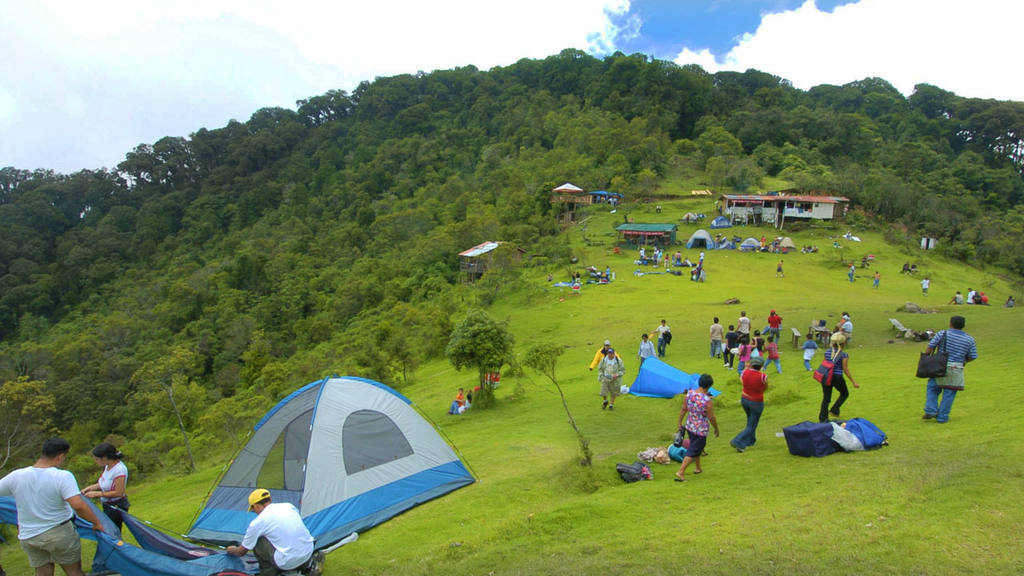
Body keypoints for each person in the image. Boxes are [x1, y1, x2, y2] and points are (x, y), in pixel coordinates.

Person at [0, 438, 104, 576]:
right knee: (73, 571)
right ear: (60, 457)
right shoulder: (62, 476)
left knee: (42, 573)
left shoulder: (16, 476)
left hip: (29, 536)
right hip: (58, 533)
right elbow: (78, 506)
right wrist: (96, 522)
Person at [227, 489, 320, 576]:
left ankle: (269, 572)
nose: (254, 512)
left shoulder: (258, 522)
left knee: (257, 541)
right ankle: (307, 565)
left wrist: (232, 550)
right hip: (308, 551)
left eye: (253, 509)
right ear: (270, 499)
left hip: (287, 562)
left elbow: (241, 552)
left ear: (256, 506)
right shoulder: (288, 506)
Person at [922, 316, 977, 423]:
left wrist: (926, 357)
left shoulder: (942, 334)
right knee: (950, 393)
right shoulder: (969, 339)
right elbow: (973, 356)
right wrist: (964, 361)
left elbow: (930, 346)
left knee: (933, 387)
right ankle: (942, 417)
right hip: (957, 367)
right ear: (963, 326)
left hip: (939, 365)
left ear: (950, 323)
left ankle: (931, 410)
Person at [674, 374, 719, 482]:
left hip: (690, 425)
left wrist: (680, 422)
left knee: (696, 446)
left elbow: (683, 409)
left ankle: (698, 468)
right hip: (700, 429)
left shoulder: (689, 394)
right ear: (709, 386)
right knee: (694, 449)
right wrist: (716, 428)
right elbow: (711, 417)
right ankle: (680, 472)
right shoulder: (707, 400)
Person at [81, 442, 129, 530]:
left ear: (104, 458)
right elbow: (104, 483)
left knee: (111, 531)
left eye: (97, 459)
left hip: (116, 505)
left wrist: (98, 494)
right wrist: (90, 488)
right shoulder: (108, 467)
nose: (96, 462)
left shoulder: (119, 470)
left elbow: (119, 492)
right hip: (107, 504)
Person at [819, 333, 859, 422]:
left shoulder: (827, 352)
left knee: (826, 398)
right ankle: (834, 409)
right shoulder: (844, 355)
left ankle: (823, 418)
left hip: (826, 376)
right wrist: (853, 381)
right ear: (843, 343)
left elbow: (826, 363)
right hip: (837, 376)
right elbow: (845, 368)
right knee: (845, 393)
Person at [731, 357, 768, 452]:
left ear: (751, 364)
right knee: (752, 425)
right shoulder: (763, 376)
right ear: (761, 366)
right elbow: (765, 387)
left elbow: (742, 382)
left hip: (745, 399)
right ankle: (738, 441)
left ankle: (751, 440)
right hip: (756, 401)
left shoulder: (744, 373)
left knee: (750, 420)